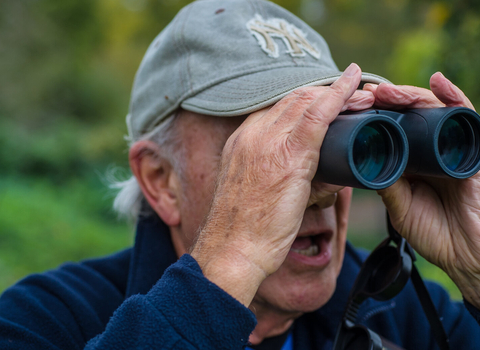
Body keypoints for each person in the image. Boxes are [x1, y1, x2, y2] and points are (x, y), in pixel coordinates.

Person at [1, 0, 480, 349]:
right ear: (161, 180)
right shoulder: (41, 321)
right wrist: (225, 272)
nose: (324, 189)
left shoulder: (404, 313)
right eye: (269, 145)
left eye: (334, 136)